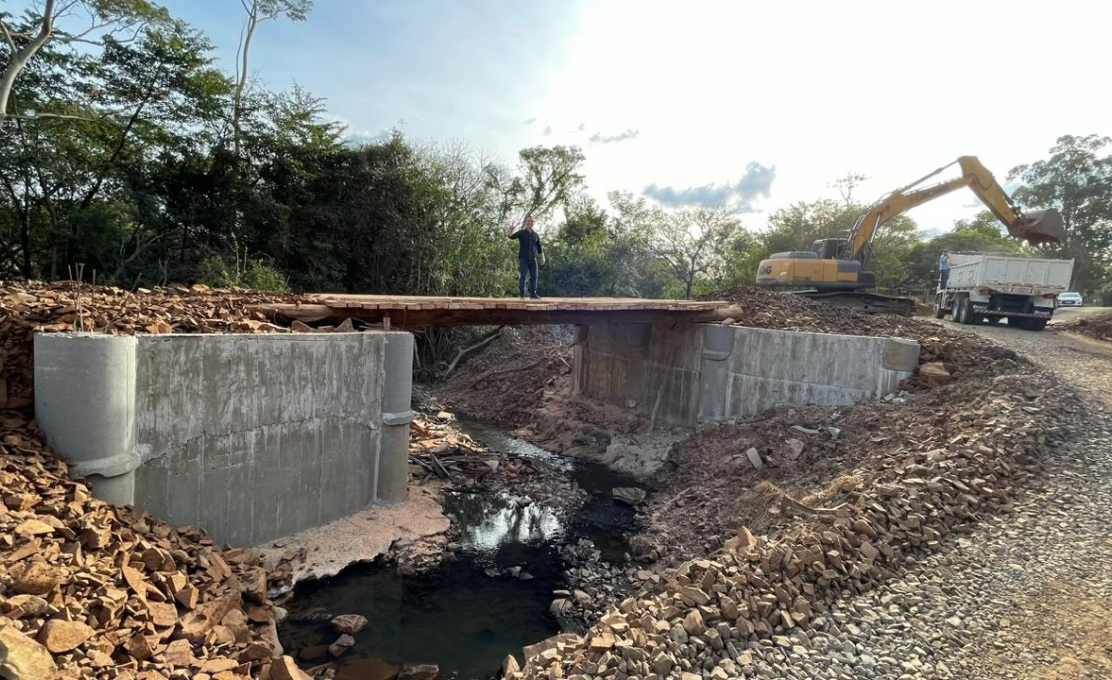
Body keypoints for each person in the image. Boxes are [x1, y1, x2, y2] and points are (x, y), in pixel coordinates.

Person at [507, 216, 545, 299]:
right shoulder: (521, 233)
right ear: (525, 223)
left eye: (531, 221)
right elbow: (511, 237)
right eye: (528, 221)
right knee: (523, 276)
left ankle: (533, 294)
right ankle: (522, 295)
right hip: (523, 258)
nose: (530, 223)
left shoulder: (536, 235)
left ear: (533, 223)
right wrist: (510, 230)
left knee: (534, 276)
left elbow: (539, 247)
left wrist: (542, 257)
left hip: (533, 259)